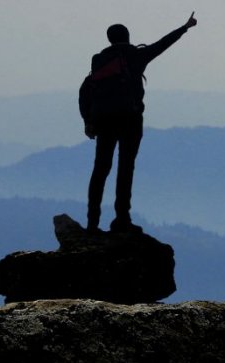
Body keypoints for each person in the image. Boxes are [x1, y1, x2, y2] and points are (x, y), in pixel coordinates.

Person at [83, 12, 198, 233]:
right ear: (127, 36)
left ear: (109, 39)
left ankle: (92, 223)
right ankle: (121, 219)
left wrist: (88, 121)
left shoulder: (98, 60)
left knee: (100, 169)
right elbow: (162, 44)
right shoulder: (135, 56)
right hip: (130, 120)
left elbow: (86, 90)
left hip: (104, 121)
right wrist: (185, 27)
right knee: (125, 168)